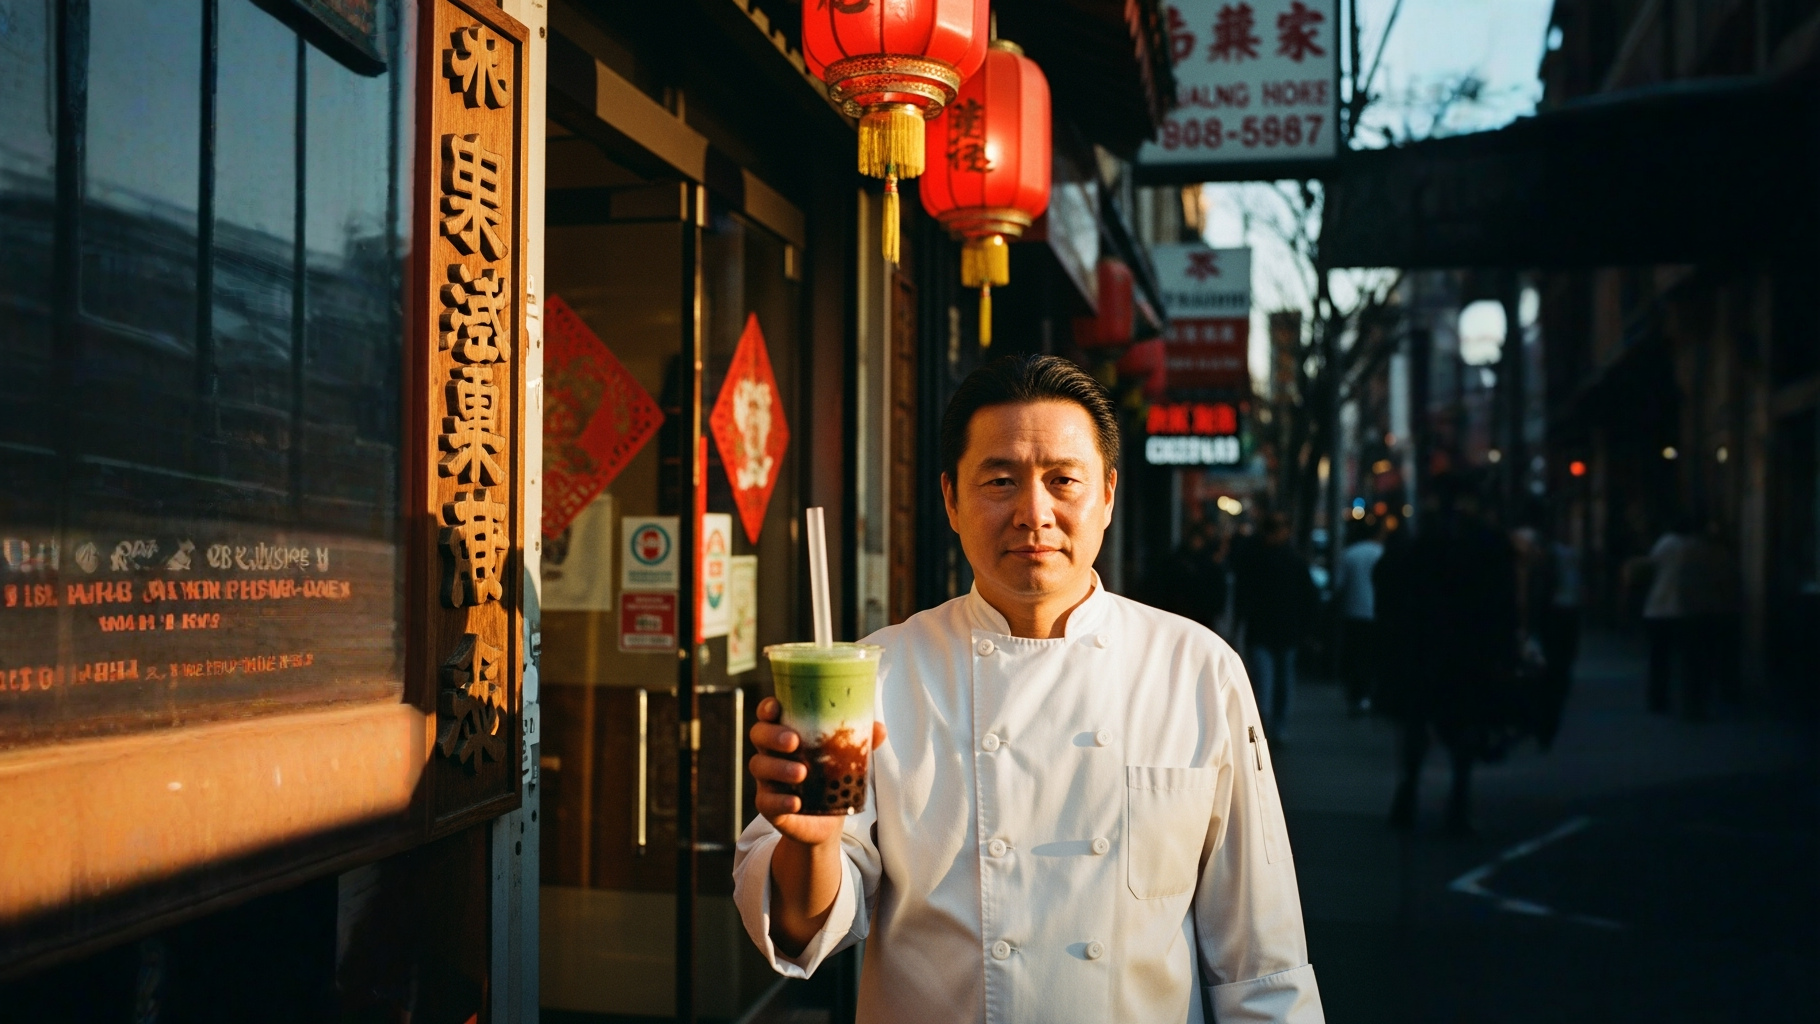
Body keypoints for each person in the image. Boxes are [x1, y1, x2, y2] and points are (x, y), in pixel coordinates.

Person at [734, 355, 1323, 1023]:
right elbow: (805, 926)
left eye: (1063, 480)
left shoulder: (1196, 669)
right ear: (951, 501)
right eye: (1001, 480)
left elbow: (1261, 959)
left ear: (1106, 496)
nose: (1032, 513)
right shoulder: (880, 671)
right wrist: (810, 843)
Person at [1382, 477, 1518, 835]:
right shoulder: (1487, 545)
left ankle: (1407, 794)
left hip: (1420, 648)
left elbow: (1393, 593)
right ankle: (1457, 804)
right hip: (1468, 652)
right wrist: (1504, 651)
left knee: (1415, 725)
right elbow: (1503, 604)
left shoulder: (1419, 544)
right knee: (1464, 729)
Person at [1233, 512, 1319, 741]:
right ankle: (1274, 728)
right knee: (1277, 684)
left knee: (1268, 684)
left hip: (1266, 631)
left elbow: (1242, 596)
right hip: (1282, 631)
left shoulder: (1255, 558)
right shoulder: (1293, 560)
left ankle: (1266, 729)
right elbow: (1310, 597)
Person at [1332, 519, 1387, 715]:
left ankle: (1355, 695)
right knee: (1372, 656)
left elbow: (1339, 586)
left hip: (1353, 612)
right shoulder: (1382, 554)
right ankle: (1366, 695)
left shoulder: (1350, 554)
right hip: (1376, 613)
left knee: (1354, 655)